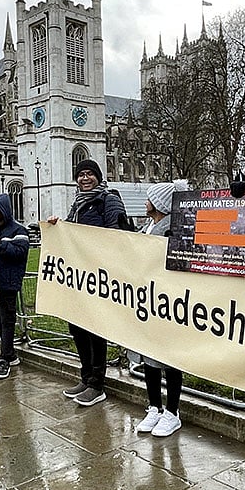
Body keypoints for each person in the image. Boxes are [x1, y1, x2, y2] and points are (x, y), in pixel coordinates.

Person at [47, 159, 125, 406]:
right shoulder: (77, 205)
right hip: (78, 279)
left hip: (98, 277)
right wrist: (57, 227)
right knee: (77, 328)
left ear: (99, 177)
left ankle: (97, 384)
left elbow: (118, 234)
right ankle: (85, 376)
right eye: (80, 175)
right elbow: (70, 236)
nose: (84, 178)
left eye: (90, 174)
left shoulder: (109, 200)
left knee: (95, 330)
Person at [130, 179, 189, 437]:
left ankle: (172, 411)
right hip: (147, 301)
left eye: (149, 198)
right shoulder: (149, 226)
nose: (145, 202)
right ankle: (154, 406)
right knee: (149, 357)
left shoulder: (170, 231)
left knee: (169, 358)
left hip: (166, 303)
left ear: (160, 204)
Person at [0, 193, 30, 380]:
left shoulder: (19, 230)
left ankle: (5, 359)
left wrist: (0, 245)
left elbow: (20, 253)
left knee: (7, 320)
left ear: (5, 210)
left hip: (9, 283)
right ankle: (9, 354)